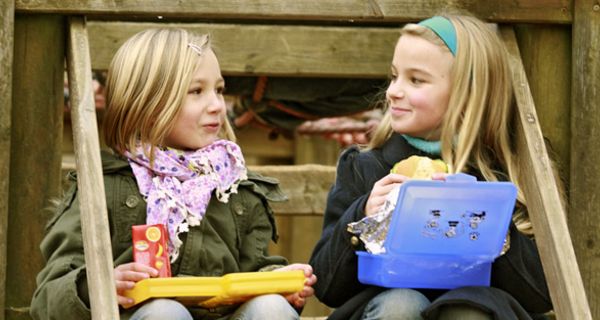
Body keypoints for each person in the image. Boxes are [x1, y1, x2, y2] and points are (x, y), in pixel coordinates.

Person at [30, 28, 316, 320]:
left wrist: (278, 281)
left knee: (272, 308)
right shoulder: (100, 189)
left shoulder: (235, 185)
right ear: (148, 105)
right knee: (165, 312)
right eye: (196, 91)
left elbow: (254, 268)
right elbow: (48, 297)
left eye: (219, 89)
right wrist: (97, 288)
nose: (217, 105)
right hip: (141, 315)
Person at [309, 14, 554, 320]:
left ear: (467, 94)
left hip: (477, 308)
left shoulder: (501, 177)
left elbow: (541, 295)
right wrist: (362, 216)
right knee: (401, 305)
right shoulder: (366, 169)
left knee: (469, 311)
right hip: (385, 310)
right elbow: (327, 286)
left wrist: (492, 225)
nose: (394, 91)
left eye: (416, 80)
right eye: (394, 76)